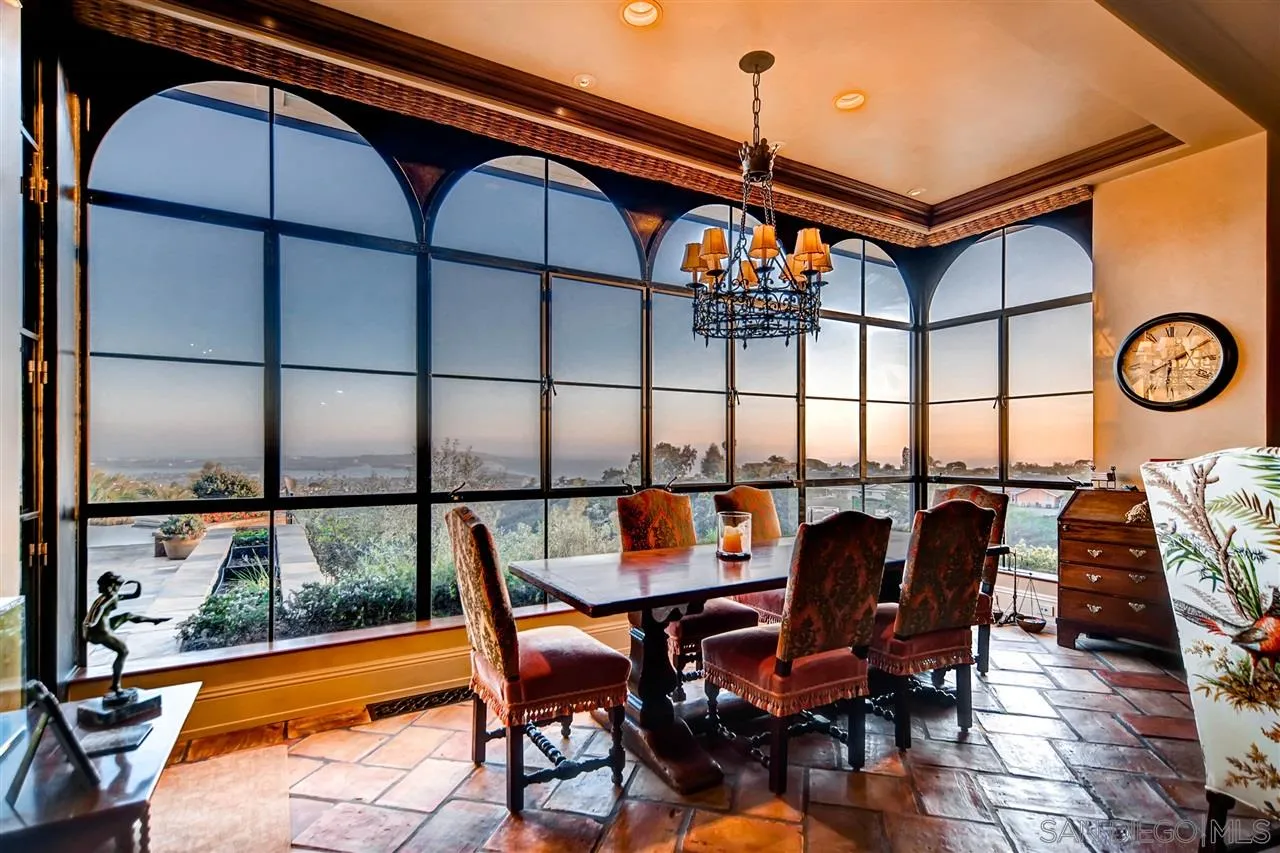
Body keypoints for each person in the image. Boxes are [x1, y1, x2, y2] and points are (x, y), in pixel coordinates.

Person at [82, 572, 170, 703]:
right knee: (123, 651)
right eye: (118, 584)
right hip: (100, 631)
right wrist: (91, 622)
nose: (119, 587)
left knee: (127, 615)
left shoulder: (110, 596)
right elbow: (99, 609)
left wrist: (136, 583)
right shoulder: (110, 597)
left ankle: (154, 620)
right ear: (112, 584)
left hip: (97, 628)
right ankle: (116, 686)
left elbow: (135, 595)